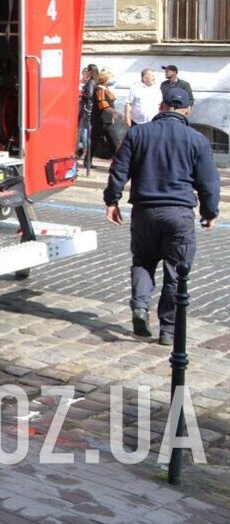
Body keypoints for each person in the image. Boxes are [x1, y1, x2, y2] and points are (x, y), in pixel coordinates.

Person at [105, 82, 219, 345]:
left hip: (144, 211)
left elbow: (119, 170)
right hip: (179, 213)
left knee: (143, 261)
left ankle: (140, 308)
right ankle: (168, 331)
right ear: (188, 110)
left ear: (160, 106)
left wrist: (112, 200)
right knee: (176, 273)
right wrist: (209, 212)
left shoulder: (138, 134)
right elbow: (208, 182)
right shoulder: (198, 140)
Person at [95, 69, 124, 161]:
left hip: (107, 119)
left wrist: (113, 116)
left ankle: (115, 158)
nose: (112, 80)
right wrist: (115, 113)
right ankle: (88, 161)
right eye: (110, 78)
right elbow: (103, 105)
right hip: (101, 119)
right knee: (98, 140)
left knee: (114, 140)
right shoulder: (99, 89)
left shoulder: (106, 89)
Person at [78, 64, 100, 170]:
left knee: (88, 134)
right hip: (90, 110)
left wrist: (82, 94)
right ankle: (87, 160)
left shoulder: (91, 81)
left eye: (88, 70)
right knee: (87, 134)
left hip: (88, 110)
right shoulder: (94, 81)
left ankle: (87, 159)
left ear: (91, 71)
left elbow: (90, 96)